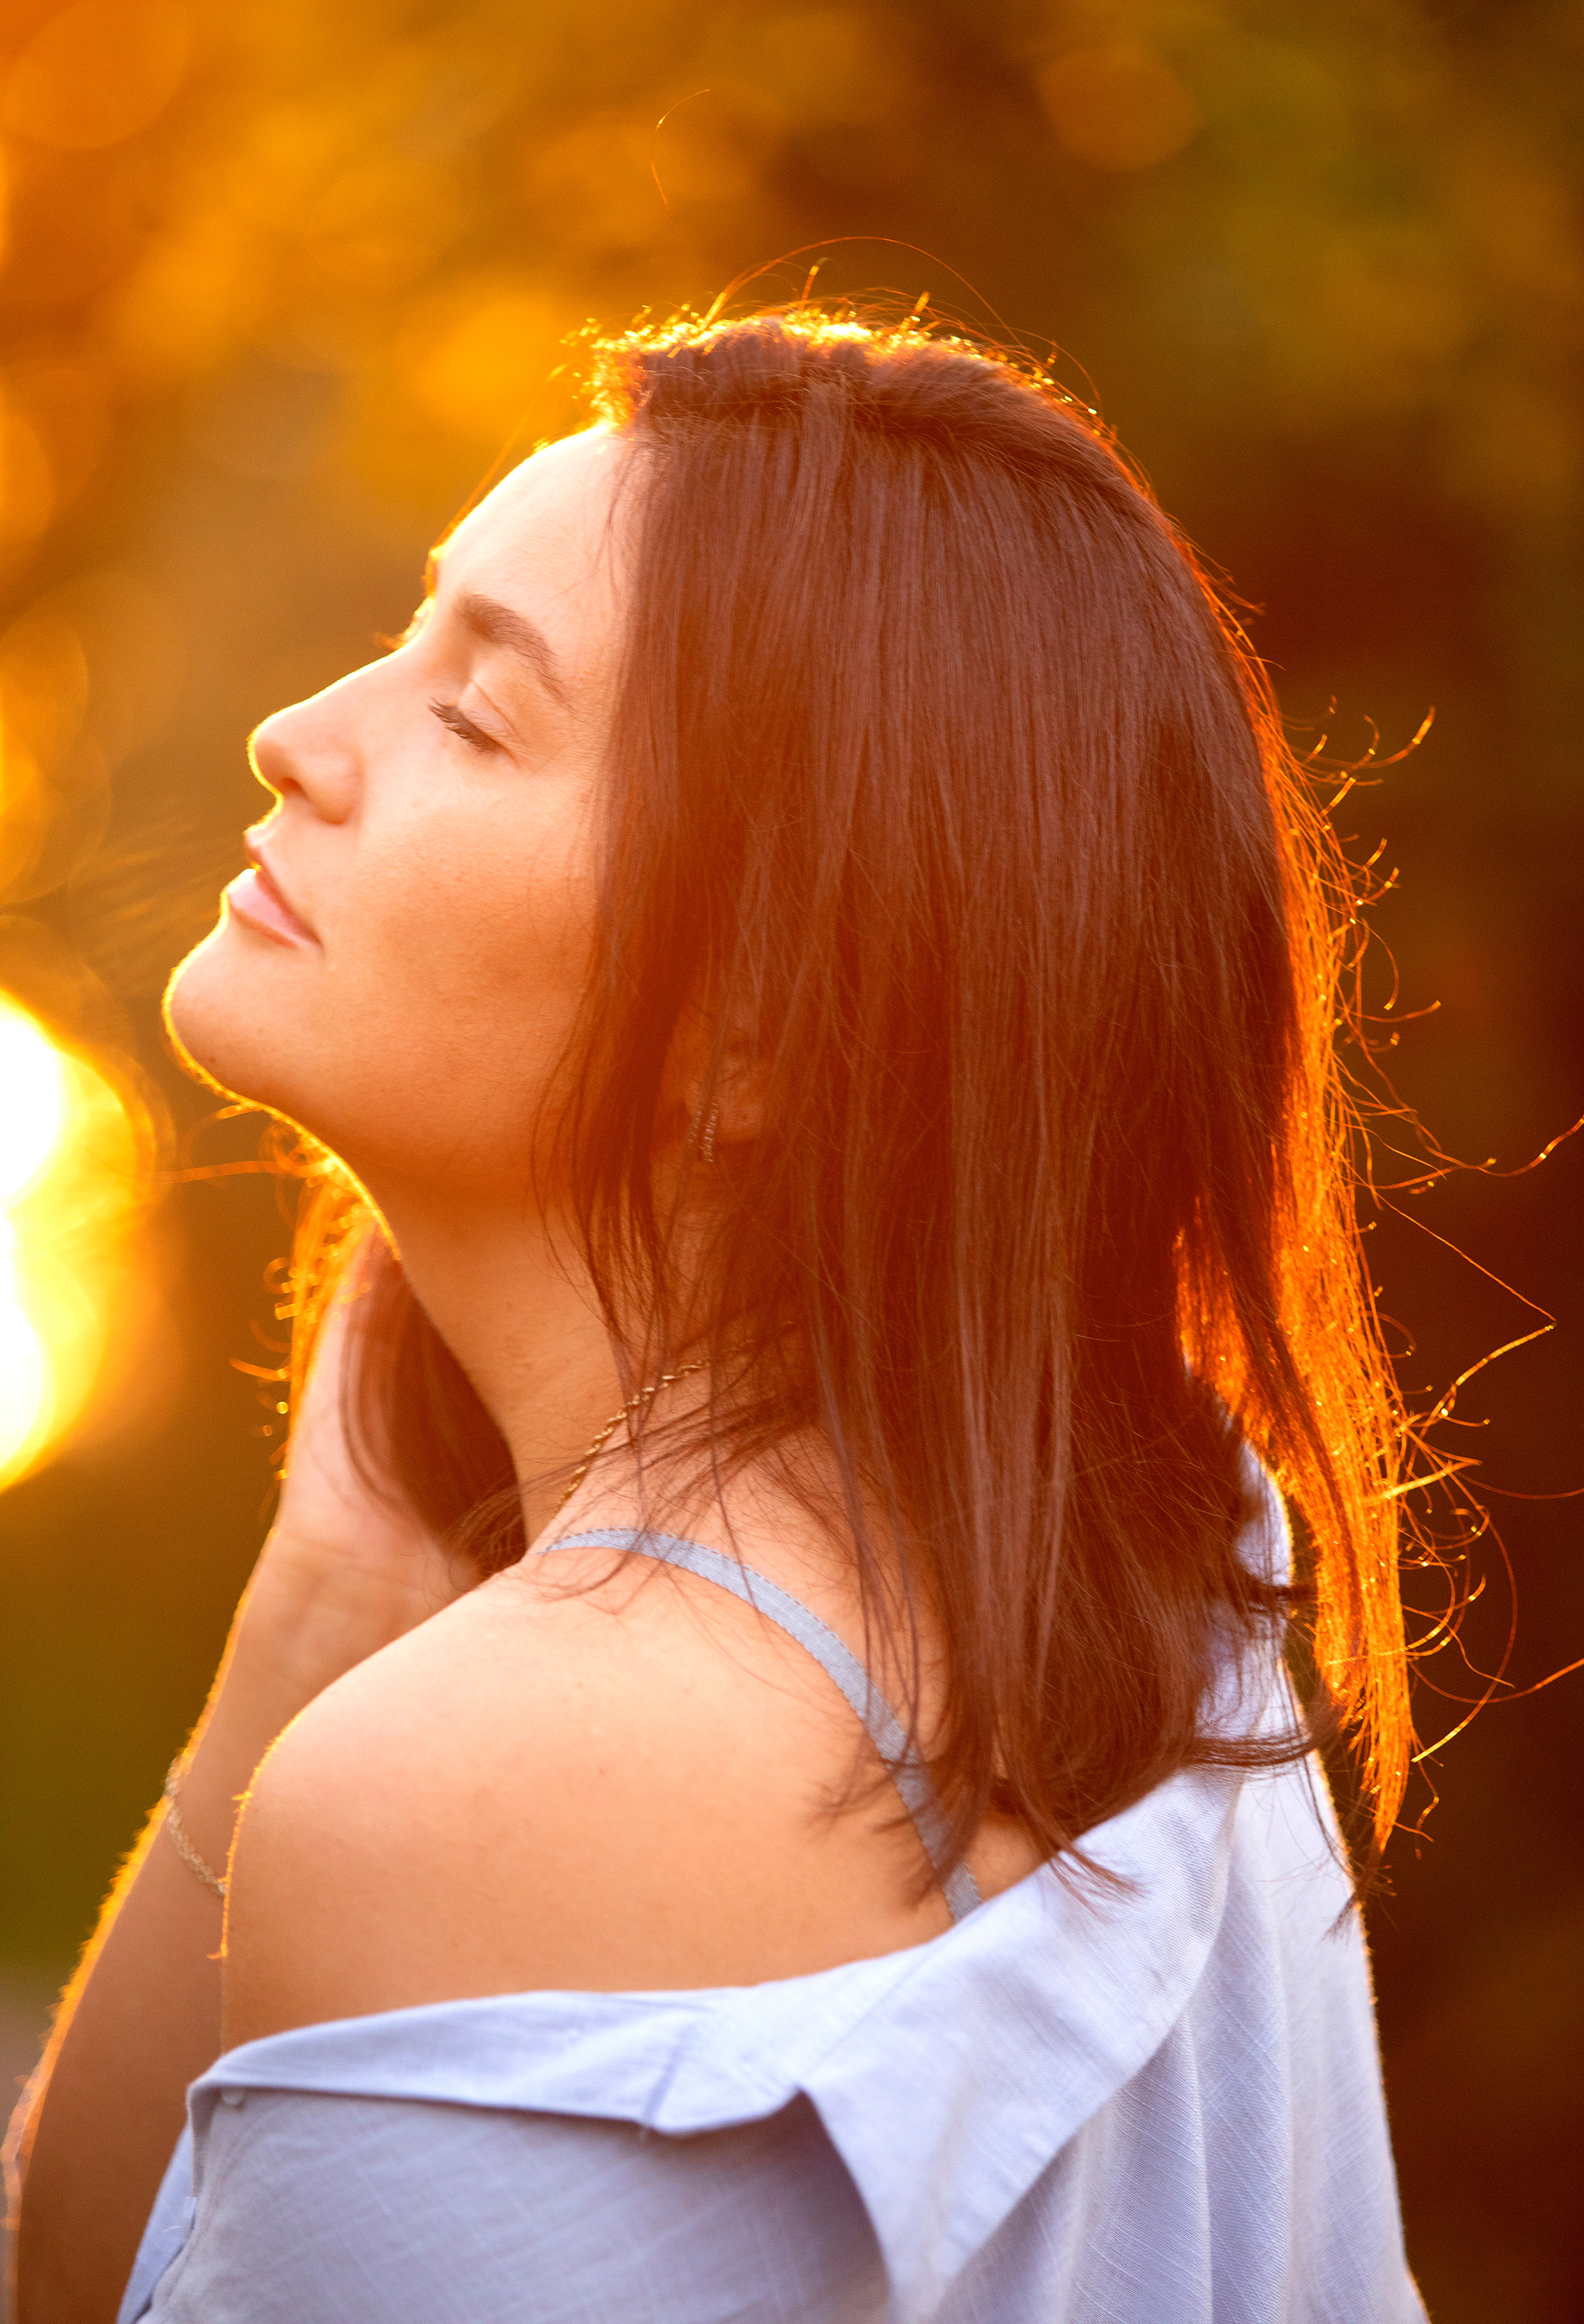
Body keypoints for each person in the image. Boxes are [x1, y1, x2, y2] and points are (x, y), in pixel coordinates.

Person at [8, 311, 1427, 2322]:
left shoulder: (492, 1787)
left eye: (477, 717)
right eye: (409, 640)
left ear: (758, 1024)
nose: (303, 734)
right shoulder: (1165, 1557)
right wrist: (323, 1605)